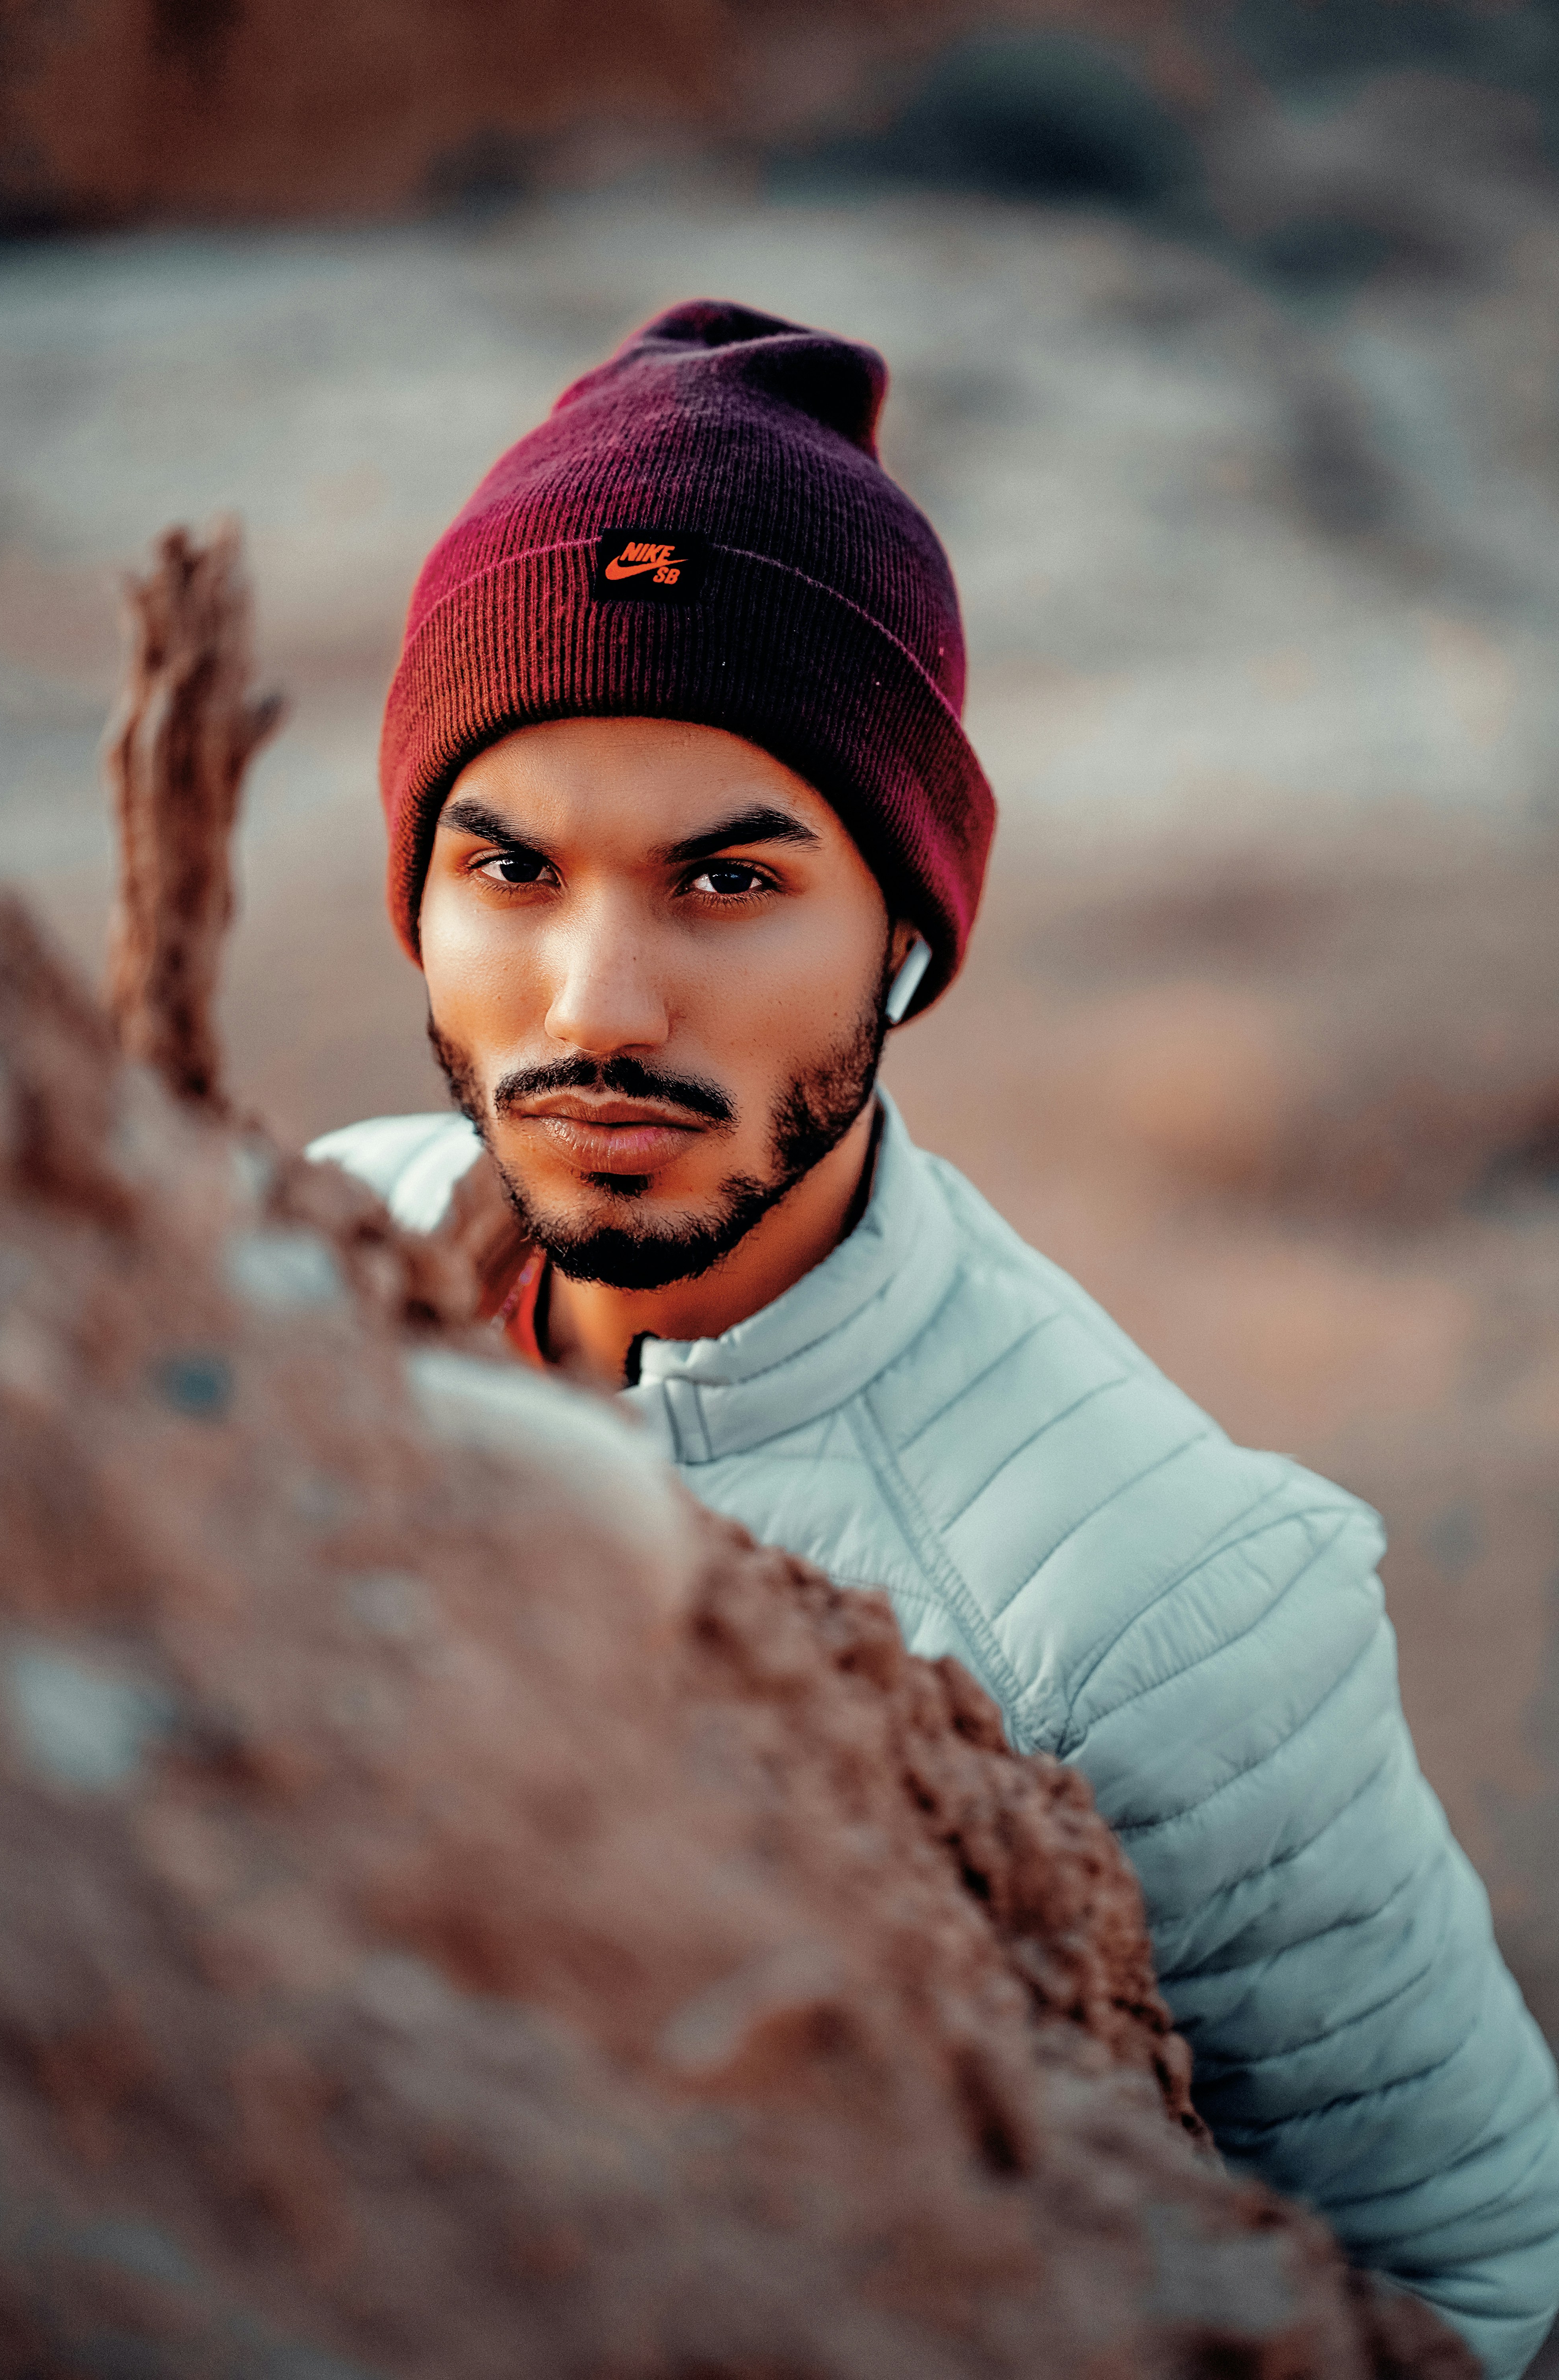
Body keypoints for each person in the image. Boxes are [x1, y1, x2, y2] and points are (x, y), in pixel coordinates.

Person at [314, 299, 1559, 2374]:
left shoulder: (1169, 1600)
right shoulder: (309, 1255)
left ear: (906, 933)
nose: (599, 999)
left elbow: (1482, 2283)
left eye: (730, 879)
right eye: (508, 865)